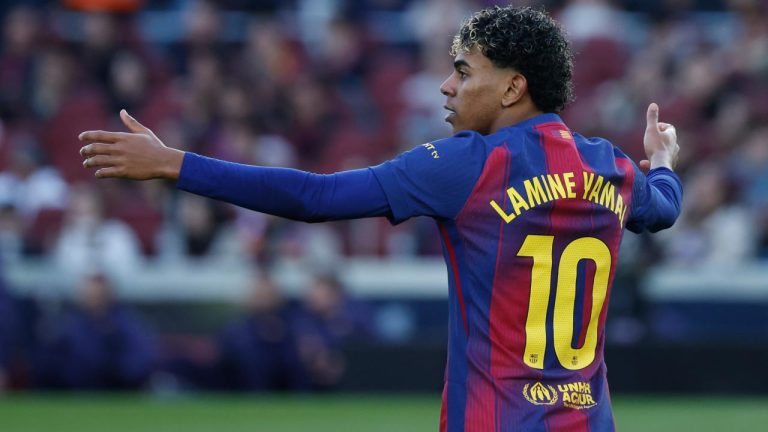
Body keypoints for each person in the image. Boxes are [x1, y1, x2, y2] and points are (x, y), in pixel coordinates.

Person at [78, 6, 682, 432]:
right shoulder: (612, 167)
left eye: (465, 71)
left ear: (512, 87)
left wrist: (176, 165)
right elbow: (664, 210)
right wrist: (661, 160)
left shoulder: (467, 163)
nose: (446, 86)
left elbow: (314, 198)